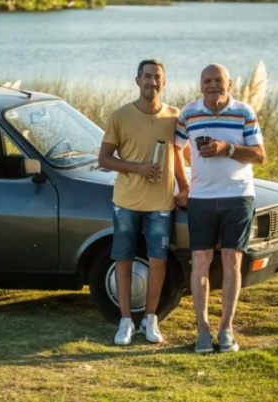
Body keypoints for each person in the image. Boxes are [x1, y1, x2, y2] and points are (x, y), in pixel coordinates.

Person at [174, 64, 266, 353]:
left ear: (229, 85)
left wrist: (227, 148)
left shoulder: (244, 112)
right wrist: (184, 185)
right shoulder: (188, 113)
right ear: (200, 86)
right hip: (200, 198)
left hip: (238, 196)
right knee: (199, 260)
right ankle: (202, 330)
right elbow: (175, 148)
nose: (212, 85)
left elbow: (260, 155)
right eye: (207, 81)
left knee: (232, 262)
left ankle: (226, 329)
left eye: (218, 80)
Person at [98, 59, 190, 346]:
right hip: (125, 202)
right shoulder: (120, 116)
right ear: (137, 80)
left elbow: (177, 157)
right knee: (123, 260)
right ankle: (125, 320)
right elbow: (104, 159)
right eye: (147, 77)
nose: (152, 82)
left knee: (157, 261)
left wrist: (185, 187)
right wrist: (138, 168)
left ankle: (151, 319)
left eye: (157, 78)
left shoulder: (174, 116)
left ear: (165, 82)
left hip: (161, 204)